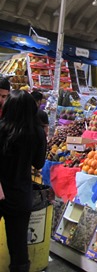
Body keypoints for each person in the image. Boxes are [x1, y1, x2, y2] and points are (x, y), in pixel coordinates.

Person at [0, 90, 47, 272]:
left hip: (1, 189)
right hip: (20, 195)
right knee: (19, 247)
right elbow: (38, 162)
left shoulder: (1, 128)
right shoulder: (37, 133)